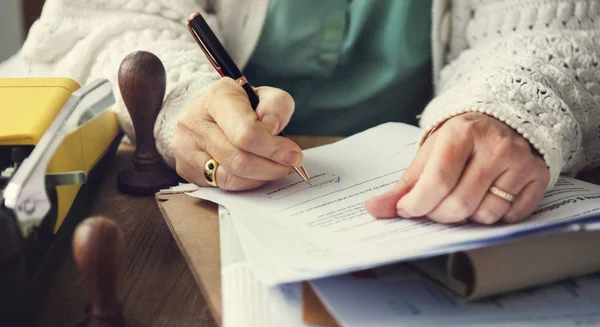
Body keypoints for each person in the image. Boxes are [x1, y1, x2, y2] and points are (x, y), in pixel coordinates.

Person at [13, 0, 600, 225]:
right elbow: (101, 18)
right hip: (196, 208)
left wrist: (504, 108)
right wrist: (185, 103)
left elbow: (551, 28)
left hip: (414, 179)